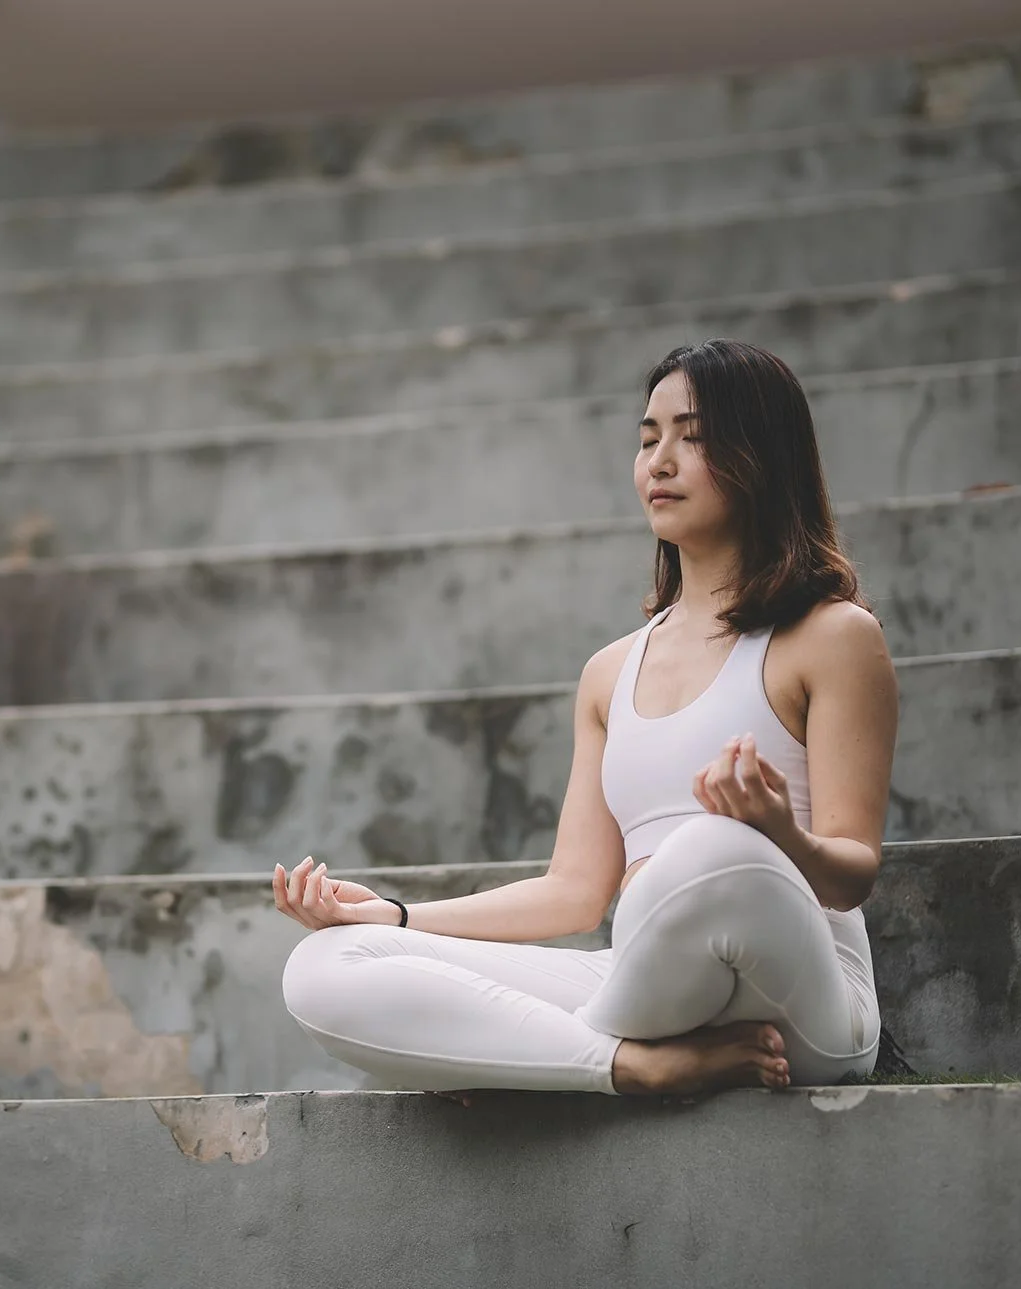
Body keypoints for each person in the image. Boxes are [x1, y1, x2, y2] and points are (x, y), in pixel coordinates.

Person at [274, 339, 899, 1095]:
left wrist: (777, 834)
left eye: (692, 437)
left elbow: (852, 875)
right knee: (325, 965)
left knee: (710, 850)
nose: (659, 461)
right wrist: (396, 915)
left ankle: (576, 1046)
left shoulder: (832, 636)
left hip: (804, 1000)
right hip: (640, 983)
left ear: (761, 456)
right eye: (647, 438)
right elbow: (572, 892)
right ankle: (628, 1064)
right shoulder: (610, 673)